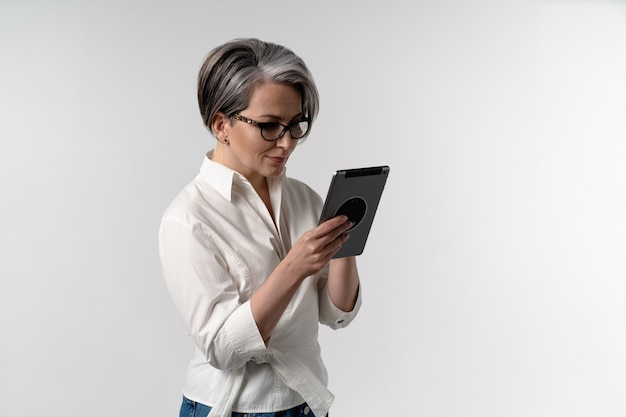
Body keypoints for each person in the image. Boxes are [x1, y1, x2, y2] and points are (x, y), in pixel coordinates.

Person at [158, 38, 362, 417]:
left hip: (307, 402)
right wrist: (293, 267)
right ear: (222, 125)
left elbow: (336, 314)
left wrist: (347, 245)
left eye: (296, 124)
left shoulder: (304, 199)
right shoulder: (187, 218)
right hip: (229, 408)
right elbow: (222, 350)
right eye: (269, 126)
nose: (286, 143)